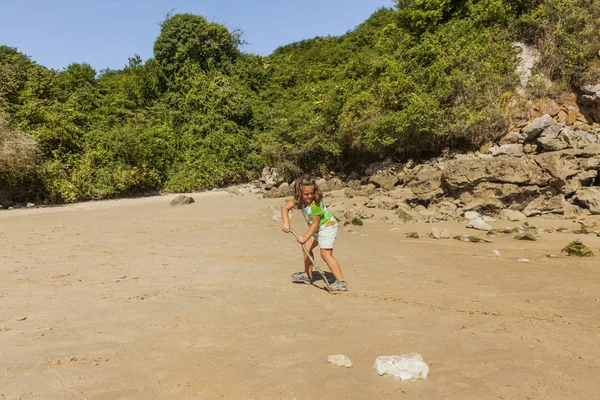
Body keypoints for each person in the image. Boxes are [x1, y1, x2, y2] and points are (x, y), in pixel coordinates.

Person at [281, 174, 348, 291]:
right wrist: (286, 223)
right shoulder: (297, 199)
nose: (309, 196)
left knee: (325, 254)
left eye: (312, 193)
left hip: (327, 227)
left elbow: (315, 224)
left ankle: (341, 282)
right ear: (299, 192)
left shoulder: (316, 203)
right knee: (306, 247)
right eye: (306, 194)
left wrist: (305, 237)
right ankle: (308, 275)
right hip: (317, 228)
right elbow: (285, 208)